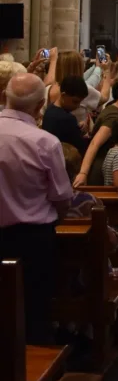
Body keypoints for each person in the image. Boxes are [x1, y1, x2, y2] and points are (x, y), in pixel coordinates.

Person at [0, 73, 73, 343]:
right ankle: (34, 363)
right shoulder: (44, 142)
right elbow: (61, 197)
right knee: (35, 310)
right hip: (31, 239)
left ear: (4, 96)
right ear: (41, 105)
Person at [73, 78, 118, 186]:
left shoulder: (116, 111)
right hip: (101, 173)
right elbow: (95, 143)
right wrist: (83, 173)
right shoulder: (113, 116)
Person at [41, 75, 89, 155]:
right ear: (63, 95)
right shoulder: (67, 119)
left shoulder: (50, 109)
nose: (77, 106)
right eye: (75, 102)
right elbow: (80, 148)